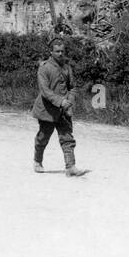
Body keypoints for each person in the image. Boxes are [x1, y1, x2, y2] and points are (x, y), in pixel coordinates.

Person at [32, 39, 88, 177]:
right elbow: (45, 91)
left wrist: (70, 100)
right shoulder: (44, 68)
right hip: (47, 111)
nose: (60, 53)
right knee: (43, 138)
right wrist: (60, 101)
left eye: (62, 51)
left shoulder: (67, 68)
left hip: (64, 111)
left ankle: (70, 167)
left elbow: (72, 87)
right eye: (57, 51)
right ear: (51, 52)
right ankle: (37, 161)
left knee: (67, 138)